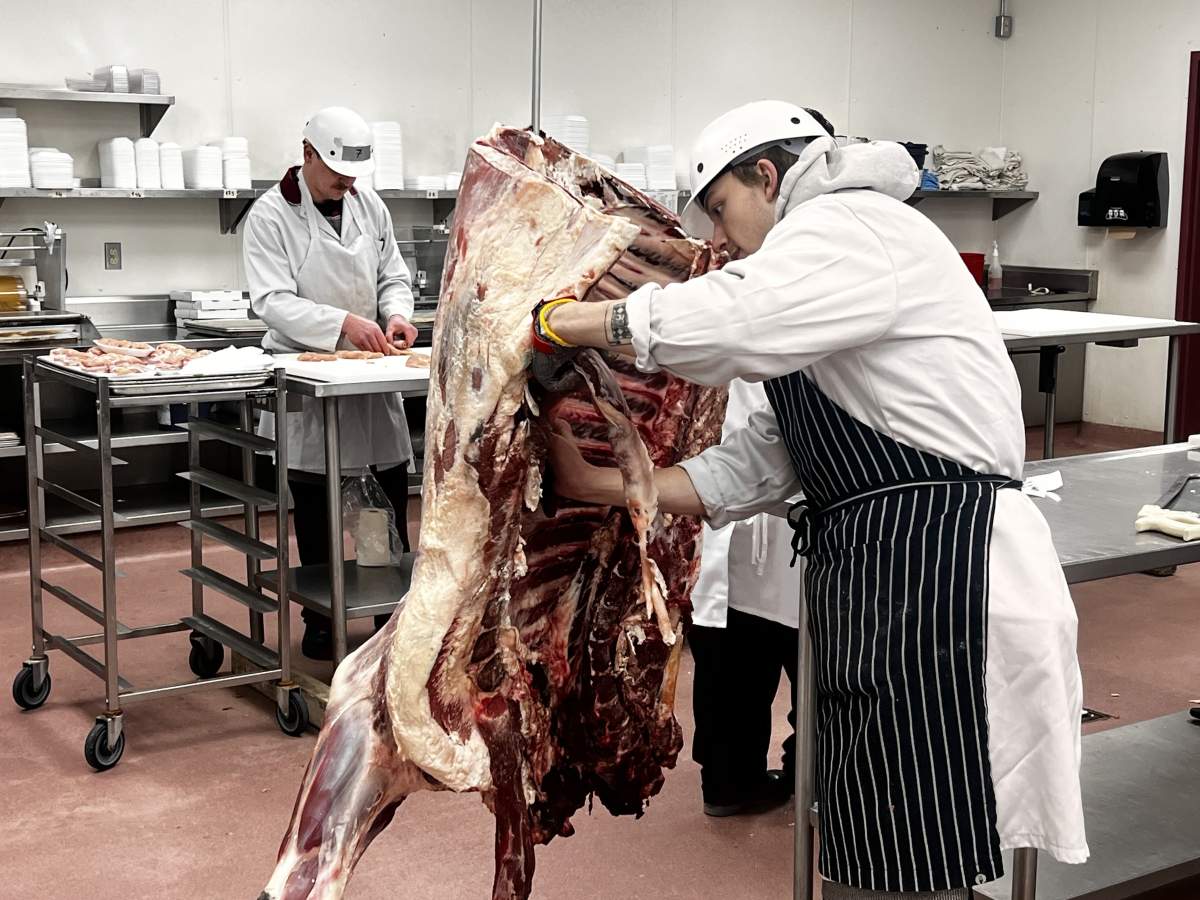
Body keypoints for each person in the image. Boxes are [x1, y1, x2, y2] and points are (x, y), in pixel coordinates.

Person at [534, 100, 1088, 898]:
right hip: (886, 581)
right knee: (879, 842)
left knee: (905, 852)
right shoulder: (816, 287)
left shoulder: (850, 225)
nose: (719, 238)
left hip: (941, 576)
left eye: (721, 207)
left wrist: (567, 321)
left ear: (767, 176)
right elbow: (755, 468)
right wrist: (603, 485)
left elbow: (730, 321)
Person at [243, 106, 417, 660]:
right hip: (308, 373)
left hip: (369, 376)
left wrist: (396, 314)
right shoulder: (270, 216)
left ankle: (390, 616)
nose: (348, 184)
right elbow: (271, 301)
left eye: (354, 175)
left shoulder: (370, 206)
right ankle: (321, 619)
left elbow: (393, 275)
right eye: (339, 172)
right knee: (317, 506)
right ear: (307, 154)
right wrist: (342, 324)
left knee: (384, 501)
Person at [689, 377, 802, 818]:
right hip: (744, 506)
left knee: (734, 660)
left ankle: (731, 781)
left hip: (746, 511)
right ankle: (792, 775)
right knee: (786, 657)